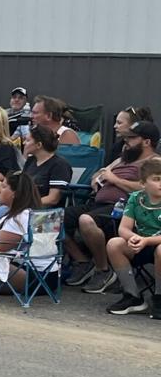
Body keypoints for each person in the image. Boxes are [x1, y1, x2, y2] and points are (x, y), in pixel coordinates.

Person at [65, 120, 159, 293]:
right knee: (54, 218)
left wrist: (114, 180)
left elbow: (145, 188)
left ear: (146, 142)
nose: (126, 142)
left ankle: (103, 270)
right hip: (97, 202)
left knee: (86, 220)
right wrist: (96, 179)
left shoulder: (155, 163)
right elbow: (100, 172)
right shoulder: (122, 159)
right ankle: (83, 261)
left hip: (121, 208)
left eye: (132, 138)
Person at [104, 157, 161, 315]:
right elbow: (124, 228)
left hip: (156, 244)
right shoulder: (136, 198)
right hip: (141, 243)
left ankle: (159, 297)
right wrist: (132, 237)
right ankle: (133, 296)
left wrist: (147, 240)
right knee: (114, 244)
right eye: (156, 179)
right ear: (143, 184)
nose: (160, 183)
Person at [22, 125, 72, 207]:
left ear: (39, 145)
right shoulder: (30, 161)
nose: (24, 143)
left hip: (42, 211)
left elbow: (53, 199)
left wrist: (26, 204)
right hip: (23, 207)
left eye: (27, 140)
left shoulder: (59, 165)